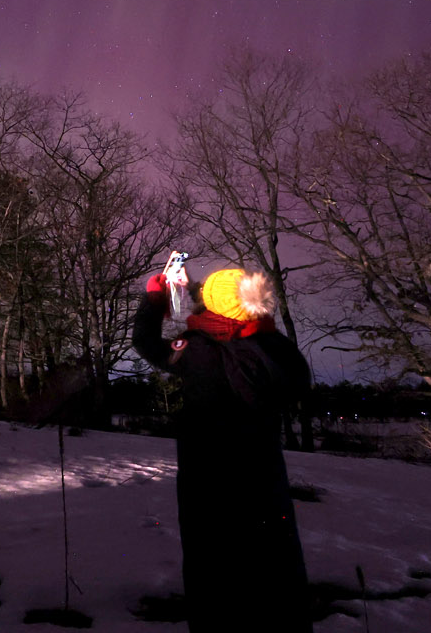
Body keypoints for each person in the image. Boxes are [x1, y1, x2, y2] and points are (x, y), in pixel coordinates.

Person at [133, 263, 313, 633]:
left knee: (212, 575)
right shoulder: (278, 349)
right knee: (275, 571)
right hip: (265, 481)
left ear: (215, 308)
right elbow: (224, 321)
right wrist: (186, 295)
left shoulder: (200, 351)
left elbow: (148, 344)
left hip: (209, 482)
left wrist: (155, 300)